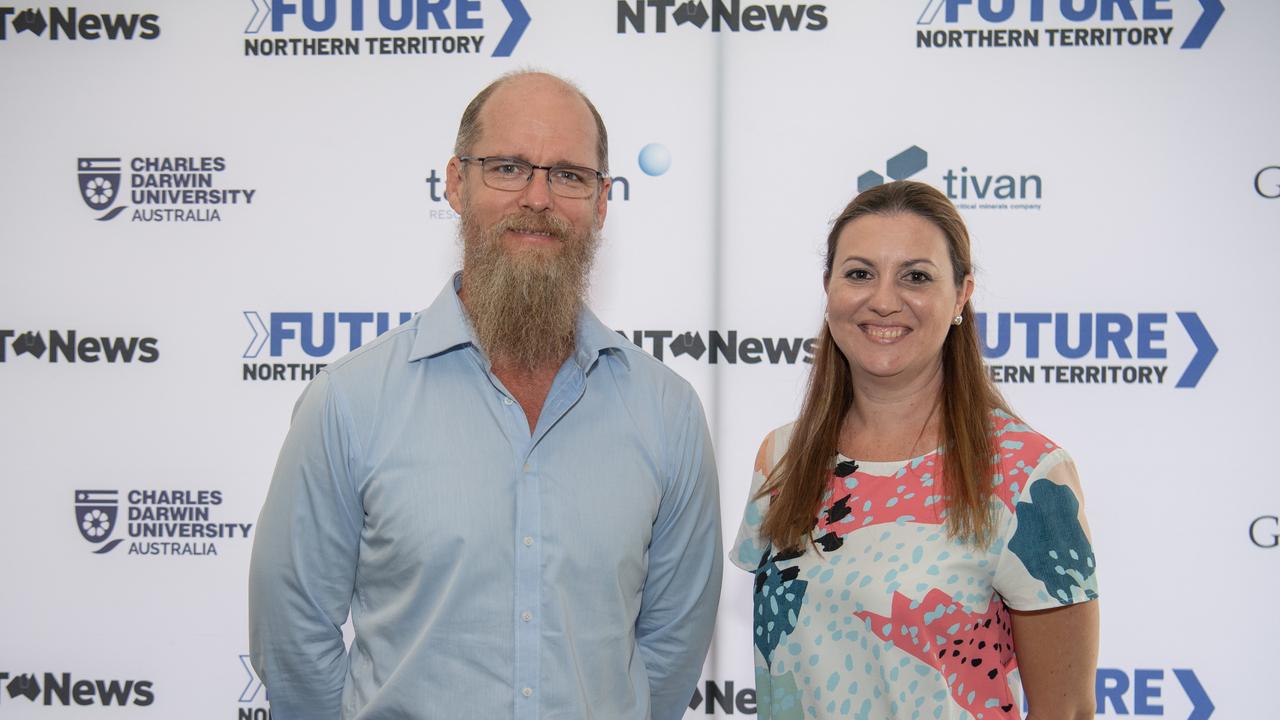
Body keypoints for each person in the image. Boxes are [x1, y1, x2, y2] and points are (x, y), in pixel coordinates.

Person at [249, 70, 722, 720]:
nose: (538, 197)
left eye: (568, 175)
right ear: (455, 182)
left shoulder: (666, 414)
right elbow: (293, 633)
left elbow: (669, 650)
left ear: (603, 201)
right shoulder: (349, 403)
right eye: (507, 167)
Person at [732, 181, 1099, 719]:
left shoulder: (1028, 475)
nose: (883, 300)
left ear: (961, 295)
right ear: (829, 288)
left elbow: (1065, 710)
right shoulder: (784, 456)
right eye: (859, 274)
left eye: (916, 277)